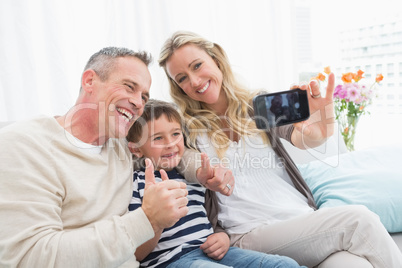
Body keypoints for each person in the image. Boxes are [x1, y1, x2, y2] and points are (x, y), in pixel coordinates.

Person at [157, 31, 402, 268]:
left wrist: (320, 124)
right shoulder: (183, 127)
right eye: (182, 78)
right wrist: (204, 173)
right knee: (359, 220)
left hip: (302, 221)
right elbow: (187, 162)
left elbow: (304, 137)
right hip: (249, 232)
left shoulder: (258, 104)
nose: (195, 81)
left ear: (216, 59)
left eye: (197, 66)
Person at [0, 47, 189, 268]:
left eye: (144, 96)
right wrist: (147, 219)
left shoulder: (123, 147)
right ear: (89, 81)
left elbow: (170, 147)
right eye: (129, 87)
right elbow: (29, 258)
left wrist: (206, 172)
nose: (138, 103)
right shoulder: (23, 145)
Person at [126, 99, 305, 268]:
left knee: (285, 264)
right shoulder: (135, 184)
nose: (170, 143)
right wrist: (158, 222)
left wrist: (222, 236)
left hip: (211, 252)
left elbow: (214, 220)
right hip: (171, 260)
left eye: (175, 134)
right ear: (135, 149)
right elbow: (137, 253)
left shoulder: (194, 178)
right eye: (158, 138)